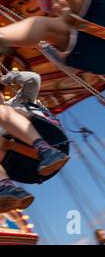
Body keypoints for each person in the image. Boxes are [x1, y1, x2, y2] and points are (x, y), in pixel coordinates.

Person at [0, 70, 69, 213]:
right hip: (24, 167)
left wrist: (6, 78)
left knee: (3, 111)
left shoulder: (17, 100)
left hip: (49, 137)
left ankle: (45, 149)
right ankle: (8, 187)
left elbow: (33, 79)